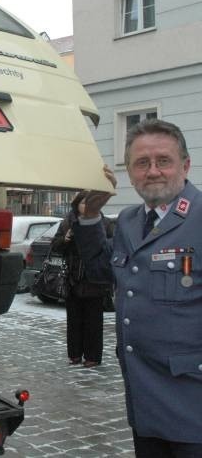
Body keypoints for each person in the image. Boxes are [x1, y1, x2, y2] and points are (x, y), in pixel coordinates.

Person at [75, 118, 202, 457]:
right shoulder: (130, 220)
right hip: (145, 401)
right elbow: (106, 274)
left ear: (185, 165)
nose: (153, 171)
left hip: (193, 402)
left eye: (164, 161)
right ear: (129, 173)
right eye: (142, 163)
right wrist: (90, 217)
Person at [51, 191, 112, 368]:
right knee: (74, 319)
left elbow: (110, 248)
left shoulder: (105, 222)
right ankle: (75, 354)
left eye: (89, 202)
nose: (86, 206)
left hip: (95, 279)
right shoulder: (68, 222)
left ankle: (93, 356)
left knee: (94, 321)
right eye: (83, 203)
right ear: (77, 205)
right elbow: (55, 246)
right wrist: (66, 239)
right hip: (73, 278)